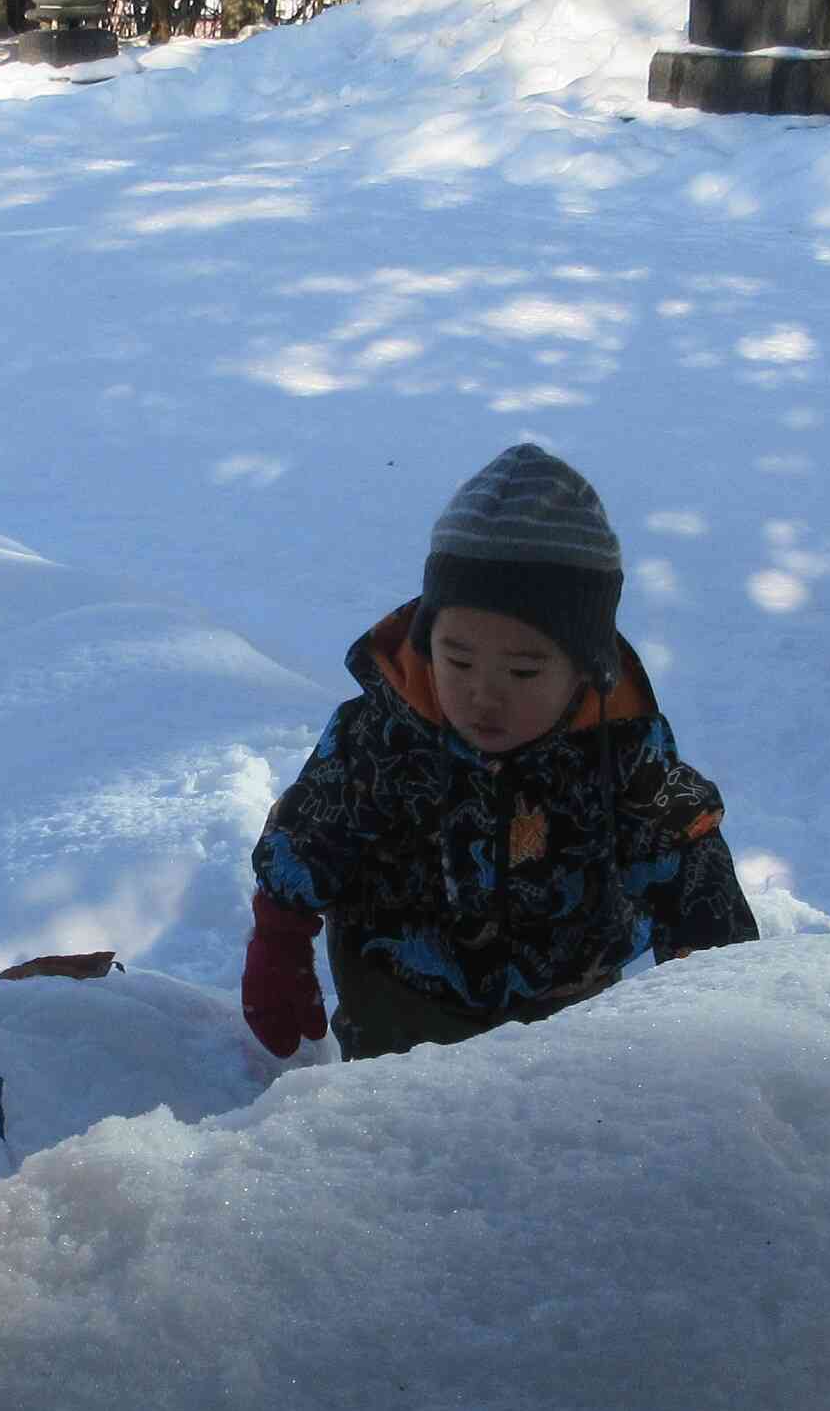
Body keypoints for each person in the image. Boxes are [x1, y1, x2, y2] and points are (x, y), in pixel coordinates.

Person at [243, 443, 758, 1061]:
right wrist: (280, 933)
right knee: (405, 1130)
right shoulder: (383, 733)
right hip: (400, 987)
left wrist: (716, 993)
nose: (483, 696)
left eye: (522, 671)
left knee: (549, 1129)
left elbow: (684, 855)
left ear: (584, 668)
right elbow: (311, 830)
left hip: (567, 993)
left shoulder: (619, 747)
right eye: (456, 659)